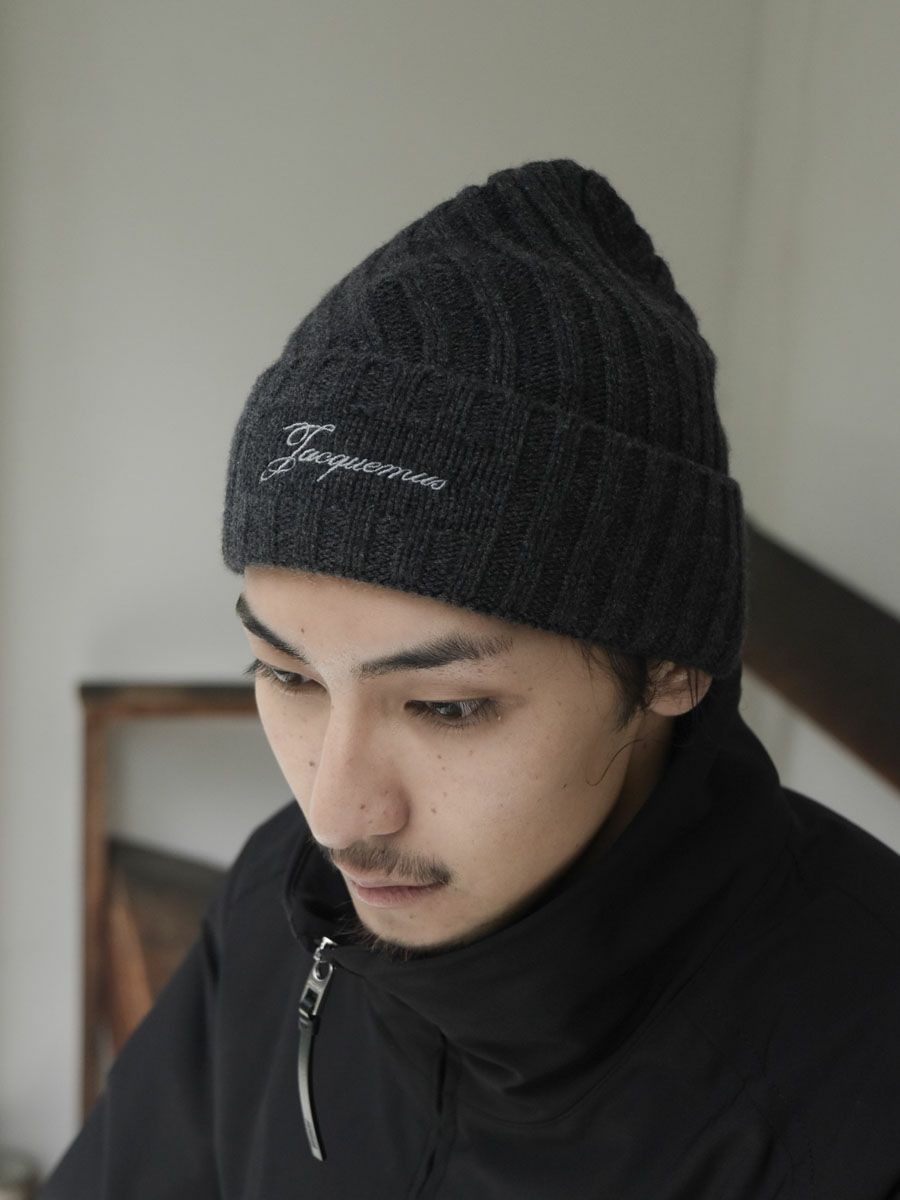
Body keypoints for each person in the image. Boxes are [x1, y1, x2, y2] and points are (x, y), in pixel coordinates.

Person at [42, 159, 900, 1198]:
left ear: (673, 665)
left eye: (446, 707)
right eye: (287, 676)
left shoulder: (863, 1088)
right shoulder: (283, 898)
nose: (335, 814)